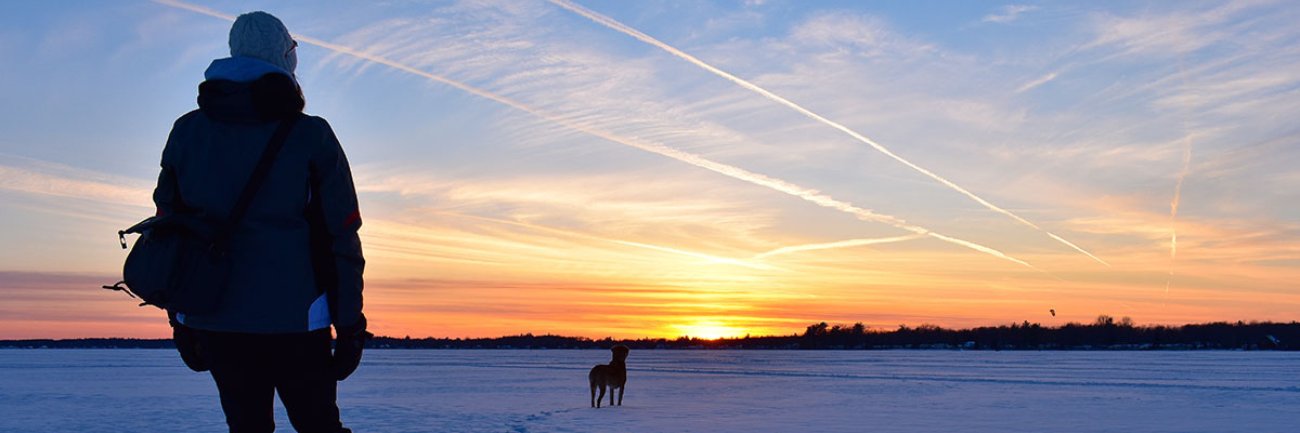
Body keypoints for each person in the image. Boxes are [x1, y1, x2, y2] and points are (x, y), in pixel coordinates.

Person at [151, 11, 367, 433]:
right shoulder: (311, 136)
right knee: (318, 426)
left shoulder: (187, 133)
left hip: (215, 317)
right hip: (298, 320)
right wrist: (351, 324)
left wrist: (180, 319)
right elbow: (341, 235)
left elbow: (168, 231)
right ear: (285, 59)